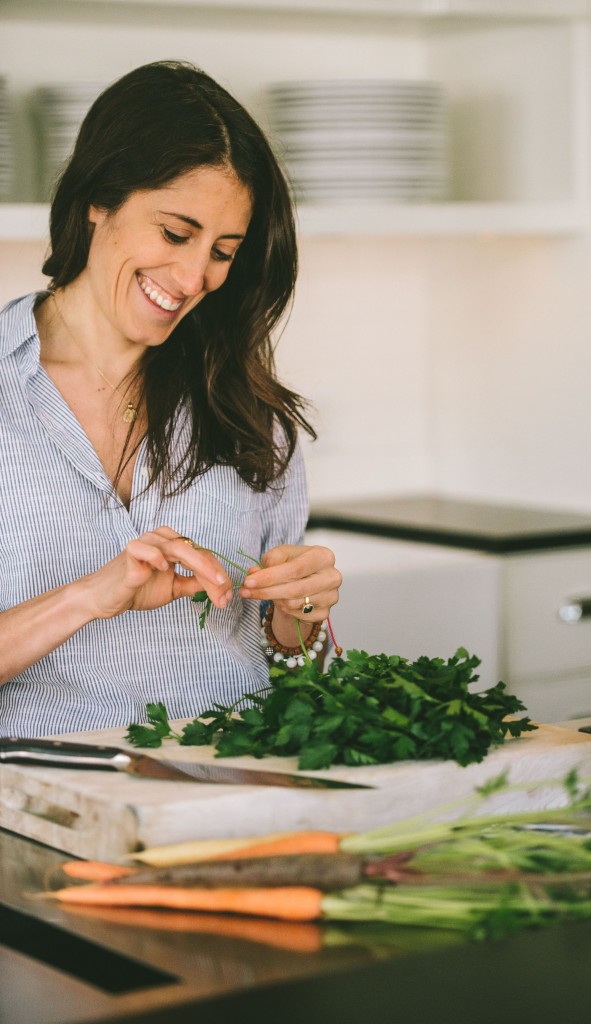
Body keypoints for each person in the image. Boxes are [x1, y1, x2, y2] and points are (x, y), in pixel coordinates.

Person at [0, 60, 342, 737]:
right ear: (100, 198)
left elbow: (295, 679)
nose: (193, 277)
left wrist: (296, 622)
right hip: (36, 799)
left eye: (223, 250)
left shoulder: (251, 414)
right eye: (176, 233)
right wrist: (90, 597)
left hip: (230, 786)